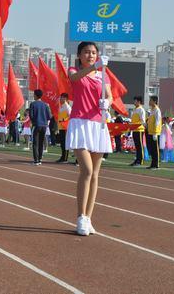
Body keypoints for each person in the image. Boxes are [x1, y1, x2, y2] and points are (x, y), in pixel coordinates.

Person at [66, 42, 112, 236]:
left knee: (95, 175)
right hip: (80, 124)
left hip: (98, 125)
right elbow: (75, 78)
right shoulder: (74, 71)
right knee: (86, 170)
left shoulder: (104, 76)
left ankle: (88, 217)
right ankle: (80, 217)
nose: (90, 55)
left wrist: (106, 103)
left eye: (93, 53)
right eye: (86, 52)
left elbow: (110, 95)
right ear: (79, 55)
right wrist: (95, 67)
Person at [29, 89, 52, 165]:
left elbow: (31, 116)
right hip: (44, 126)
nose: (33, 95)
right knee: (41, 142)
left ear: (35, 95)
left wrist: (34, 121)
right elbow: (49, 116)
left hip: (37, 125)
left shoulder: (33, 104)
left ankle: (36, 160)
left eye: (34, 94)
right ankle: (40, 159)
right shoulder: (45, 105)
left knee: (35, 143)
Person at [146, 95, 162, 170]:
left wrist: (155, 133)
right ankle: (152, 164)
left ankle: (156, 165)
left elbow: (157, 121)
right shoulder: (152, 110)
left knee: (155, 149)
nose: (149, 102)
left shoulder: (157, 110)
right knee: (152, 149)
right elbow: (150, 120)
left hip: (155, 132)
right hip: (150, 132)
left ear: (155, 101)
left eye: (151, 100)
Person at [129, 96, 146, 166]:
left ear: (139, 102)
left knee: (140, 146)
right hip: (134, 130)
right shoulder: (135, 109)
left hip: (139, 130)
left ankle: (140, 161)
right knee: (137, 146)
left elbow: (143, 121)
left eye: (135, 101)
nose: (134, 102)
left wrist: (134, 124)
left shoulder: (141, 110)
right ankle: (137, 160)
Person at [56, 93, 71, 162]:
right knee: (62, 143)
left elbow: (70, 116)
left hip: (65, 127)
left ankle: (65, 158)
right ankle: (63, 157)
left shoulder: (67, 107)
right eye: (60, 97)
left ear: (66, 99)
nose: (60, 99)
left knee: (65, 142)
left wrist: (64, 120)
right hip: (61, 127)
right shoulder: (61, 106)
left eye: (62, 97)